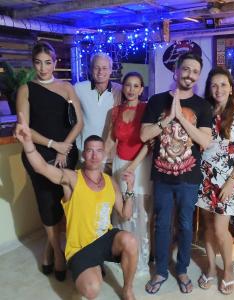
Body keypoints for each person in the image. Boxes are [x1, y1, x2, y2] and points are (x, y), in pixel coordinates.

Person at [15, 112, 138, 300]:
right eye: (89, 150)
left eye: (98, 151)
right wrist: (28, 144)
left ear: (104, 154)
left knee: (130, 240)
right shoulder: (72, 178)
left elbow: (125, 214)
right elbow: (42, 167)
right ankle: (90, 271)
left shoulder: (110, 181)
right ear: (83, 153)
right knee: (91, 289)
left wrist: (130, 188)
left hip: (104, 239)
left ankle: (127, 289)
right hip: (80, 248)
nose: (94, 155)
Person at [141, 52, 213, 294]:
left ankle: (181, 268)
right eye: (186, 69)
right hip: (162, 176)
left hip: (189, 178)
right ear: (176, 71)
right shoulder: (156, 101)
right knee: (161, 224)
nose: (190, 75)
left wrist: (182, 117)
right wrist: (168, 118)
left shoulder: (203, 106)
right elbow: (143, 135)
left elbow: (205, 140)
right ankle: (161, 270)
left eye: (195, 71)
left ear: (198, 76)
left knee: (184, 225)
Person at [16, 41, 83, 281]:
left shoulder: (67, 88)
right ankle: (57, 253)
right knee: (46, 204)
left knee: (63, 203)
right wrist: (54, 145)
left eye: (47, 62)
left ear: (55, 63)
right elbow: (24, 128)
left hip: (67, 153)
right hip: (39, 154)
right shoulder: (26, 89)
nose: (43, 68)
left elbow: (79, 123)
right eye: (38, 63)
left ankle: (49, 248)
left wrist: (65, 148)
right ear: (32, 64)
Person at [196, 67, 234, 295]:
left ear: (231, 88)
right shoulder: (204, 111)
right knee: (208, 226)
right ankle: (210, 267)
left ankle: (227, 270)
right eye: (214, 85)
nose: (218, 89)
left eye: (223, 85)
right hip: (204, 177)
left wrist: (231, 181)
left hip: (227, 180)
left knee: (220, 228)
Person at [105, 72, 152, 275]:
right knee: (121, 208)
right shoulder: (114, 111)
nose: (131, 89)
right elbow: (109, 140)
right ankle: (122, 254)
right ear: (122, 88)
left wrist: (132, 166)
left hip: (140, 165)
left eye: (136, 86)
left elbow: (149, 143)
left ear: (142, 89)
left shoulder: (147, 108)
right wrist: (98, 162)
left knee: (141, 212)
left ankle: (140, 260)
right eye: (128, 85)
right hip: (118, 164)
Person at [74, 53, 122, 160]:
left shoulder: (119, 90)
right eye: (97, 68)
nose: (100, 72)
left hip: (110, 152)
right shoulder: (79, 88)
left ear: (110, 70)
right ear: (91, 69)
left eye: (105, 68)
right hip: (84, 151)